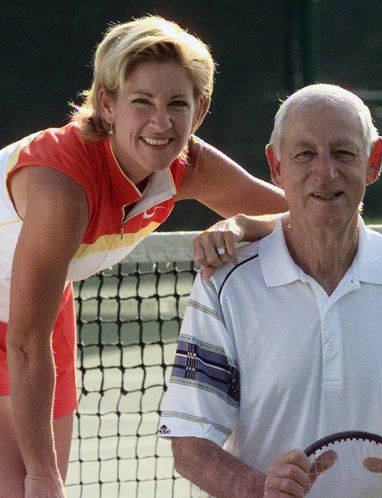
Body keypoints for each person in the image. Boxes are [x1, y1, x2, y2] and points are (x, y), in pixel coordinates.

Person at [0, 16, 285, 497]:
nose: (161, 122)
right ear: (107, 105)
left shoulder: (185, 164)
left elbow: (307, 216)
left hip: (42, 309)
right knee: (26, 483)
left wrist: (242, 224)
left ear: (199, 112)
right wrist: (42, 476)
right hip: (28, 330)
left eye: (178, 104)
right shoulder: (62, 188)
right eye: (141, 102)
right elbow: (25, 344)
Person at [160, 84, 382, 497]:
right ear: (276, 164)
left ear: (373, 161)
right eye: (305, 154)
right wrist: (259, 488)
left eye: (343, 152)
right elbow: (189, 443)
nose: (325, 172)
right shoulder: (224, 283)